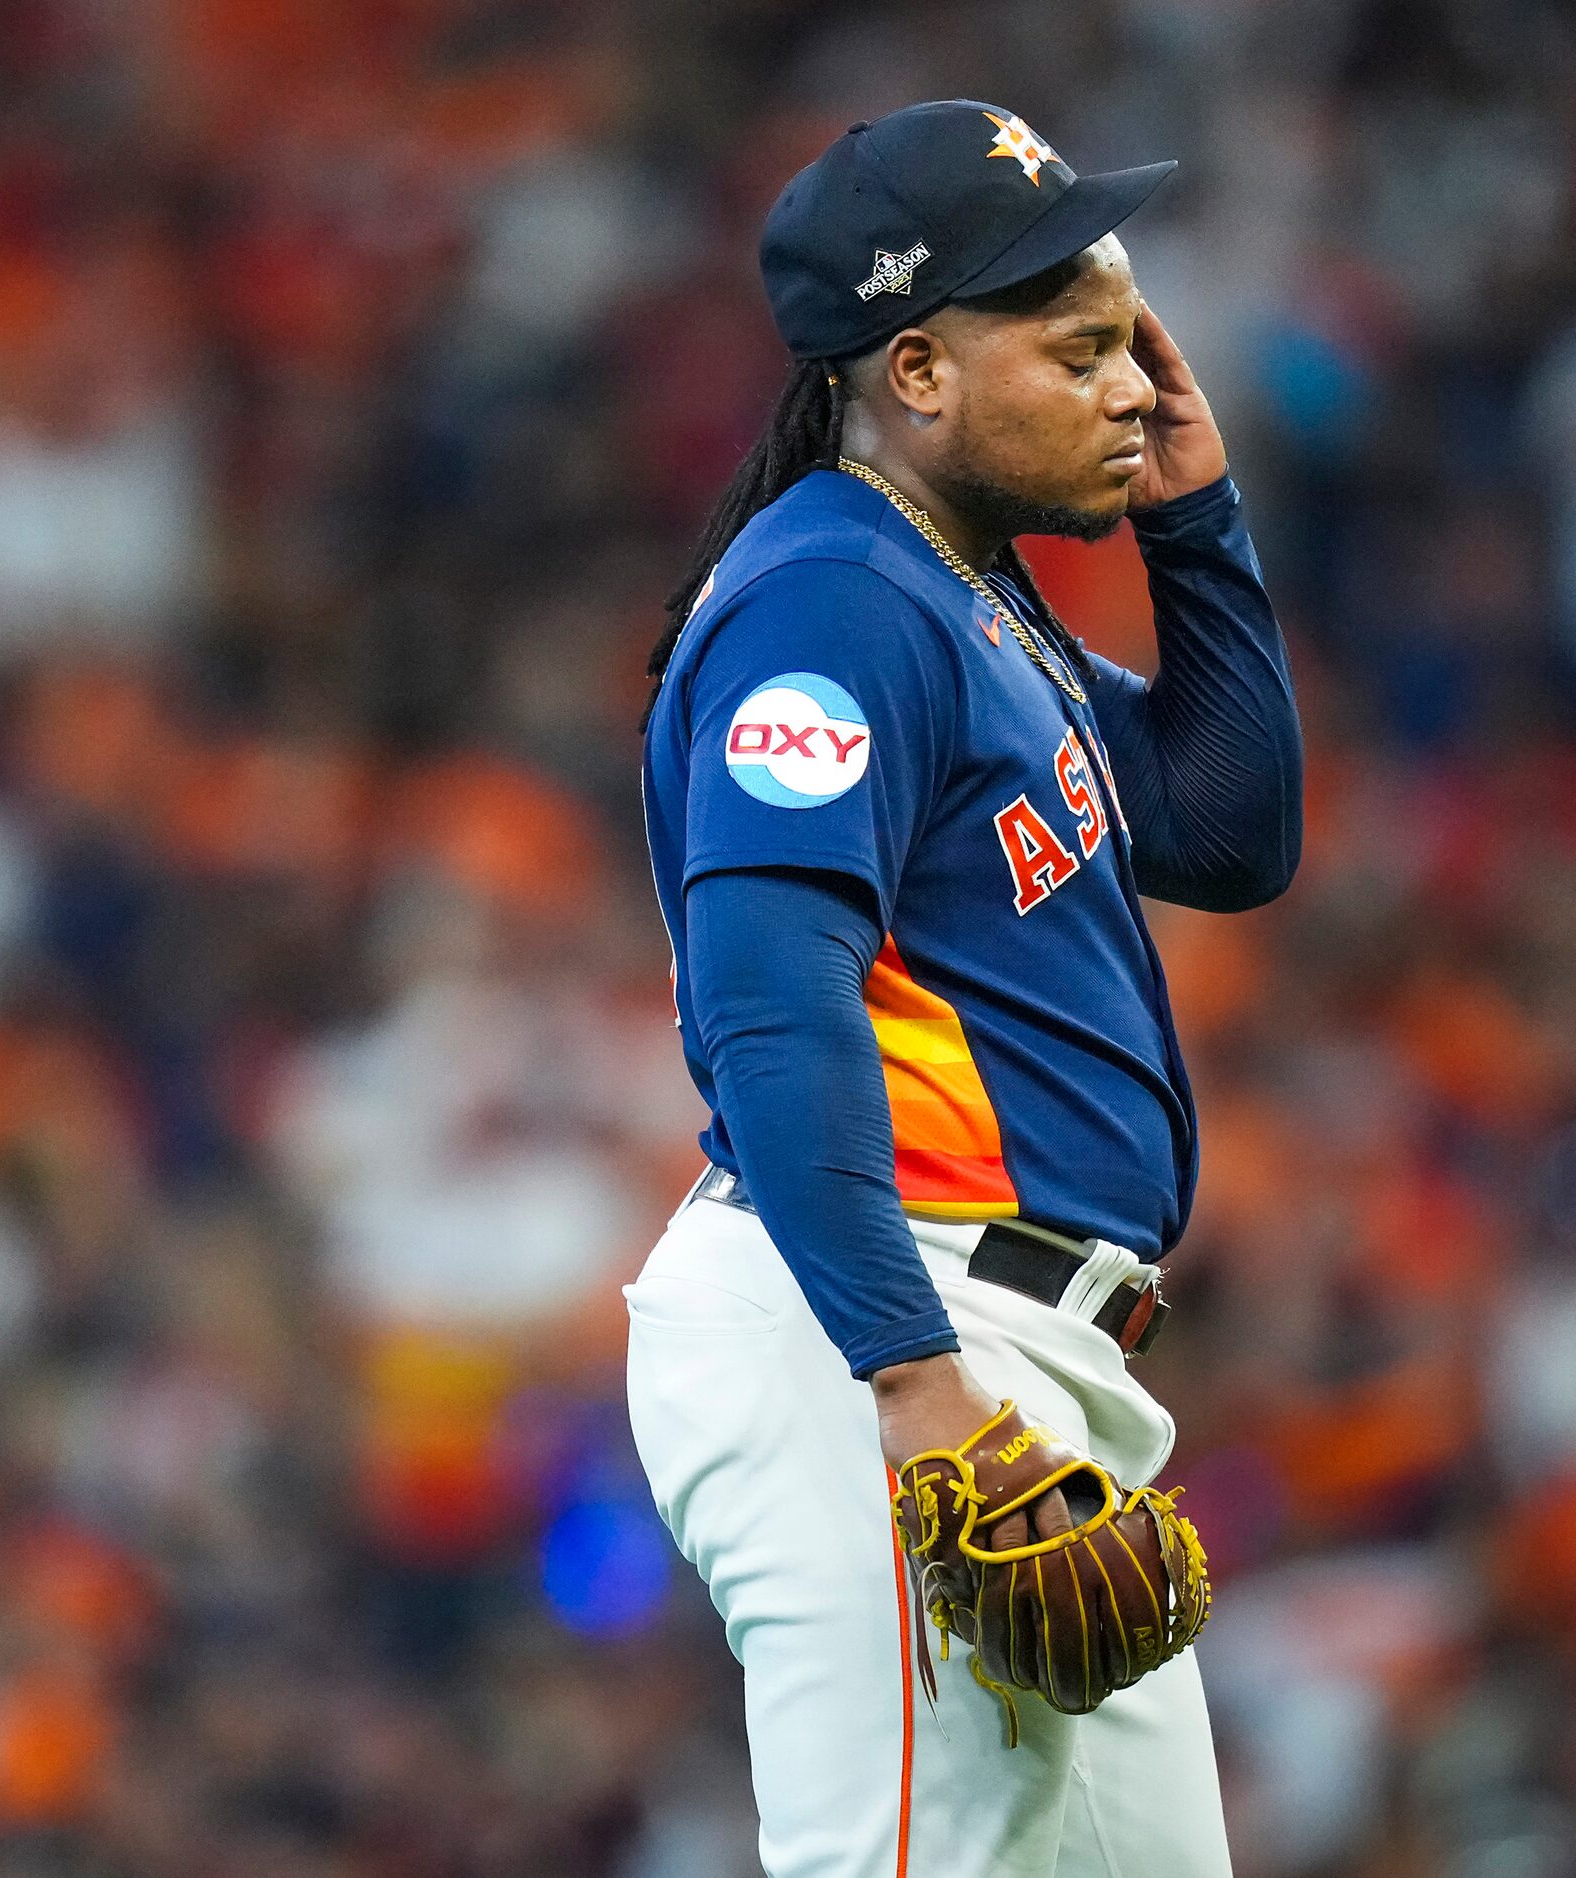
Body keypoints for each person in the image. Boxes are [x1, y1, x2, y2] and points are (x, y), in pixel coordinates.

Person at [624, 100, 1302, 1878]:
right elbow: (771, 1008)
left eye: (1130, 347)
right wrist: (911, 1378)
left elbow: (1229, 832)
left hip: (994, 1339)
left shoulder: (958, 594)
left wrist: (1197, 517)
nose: (1134, 384)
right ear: (915, 368)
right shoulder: (830, 603)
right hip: (879, 1319)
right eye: (1079, 351)